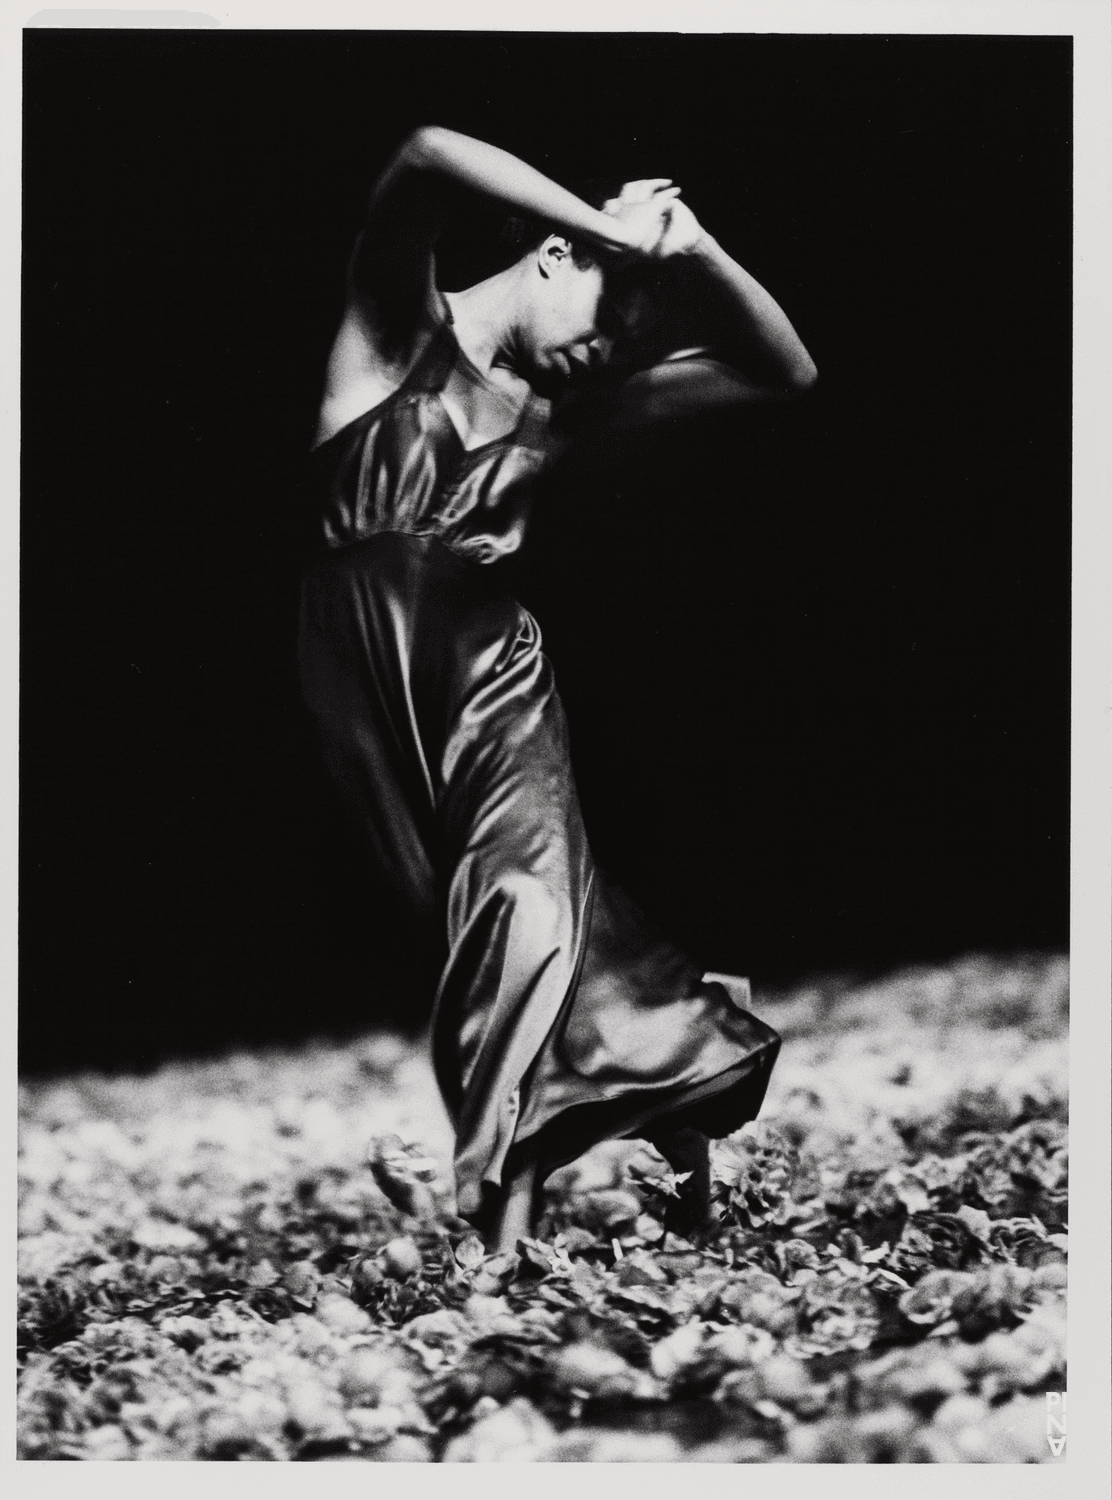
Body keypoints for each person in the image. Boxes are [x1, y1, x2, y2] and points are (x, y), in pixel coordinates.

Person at [298, 127, 816, 1250]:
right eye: (612, 311)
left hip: (491, 671)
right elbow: (424, 153)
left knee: (524, 908)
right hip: (363, 682)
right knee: (509, 942)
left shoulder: (571, 404)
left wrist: (689, 250)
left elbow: (785, 371)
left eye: (636, 331)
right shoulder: (399, 332)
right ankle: (681, 1136)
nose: (614, 346)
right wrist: (605, 225)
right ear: (552, 254)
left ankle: (500, 1226)